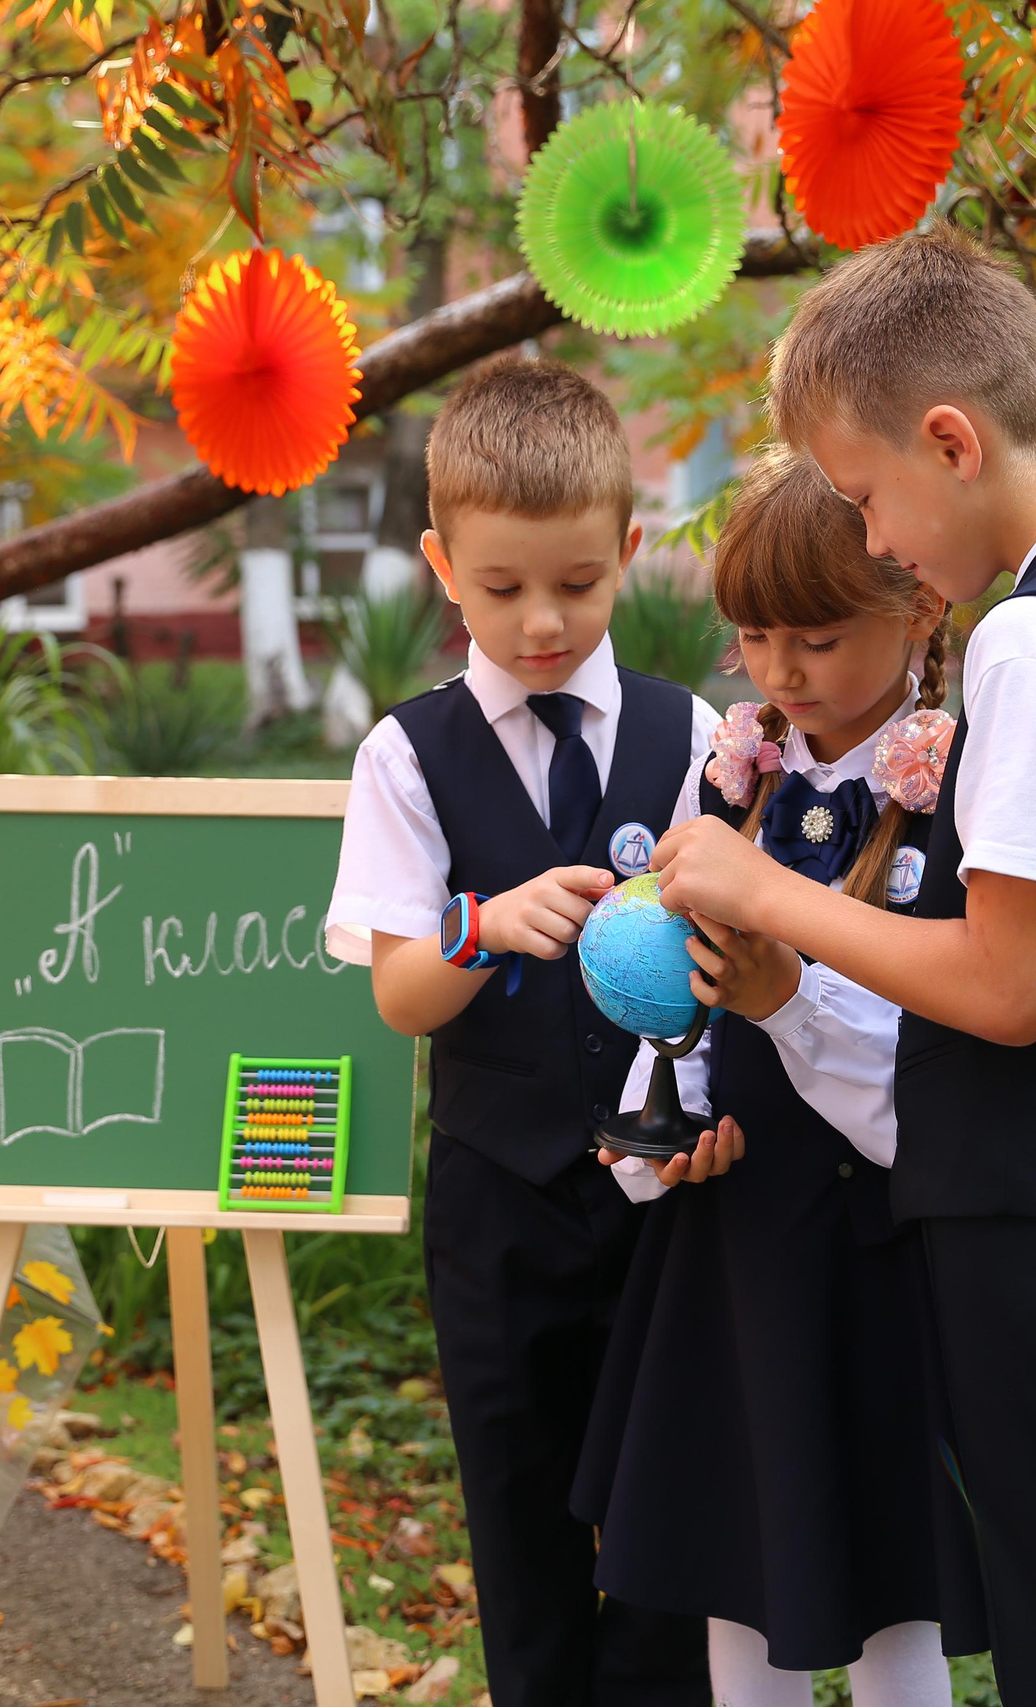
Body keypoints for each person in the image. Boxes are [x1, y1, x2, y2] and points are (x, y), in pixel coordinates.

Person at [648, 227, 1036, 1706]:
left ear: (952, 440)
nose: (881, 541)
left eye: (866, 497)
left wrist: (764, 890)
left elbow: (1007, 981)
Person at [325, 356, 721, 1707]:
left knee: (674, 1522)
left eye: (577, 582)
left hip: (669, 1198)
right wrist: (479, 926)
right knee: (523, 1517)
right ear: (442, 563)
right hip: (500, 1205)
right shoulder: (407, 755)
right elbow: (399, 993)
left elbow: (747, 965)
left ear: (628, 547)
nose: (542, 621)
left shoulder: (696, 736)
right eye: (501, 589)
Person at [570, 450, 988, 1707]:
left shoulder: (958, 790)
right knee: (736, 1565)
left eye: (815, 633)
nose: (780, 670)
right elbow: (681, 993)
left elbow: (931, 1101)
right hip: (740, 1242)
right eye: (752, 634)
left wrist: (785, 995)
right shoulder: (736, 772)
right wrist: (664, 1128)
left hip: (878, 1251)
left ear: (917, 606)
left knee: (887, 1587)